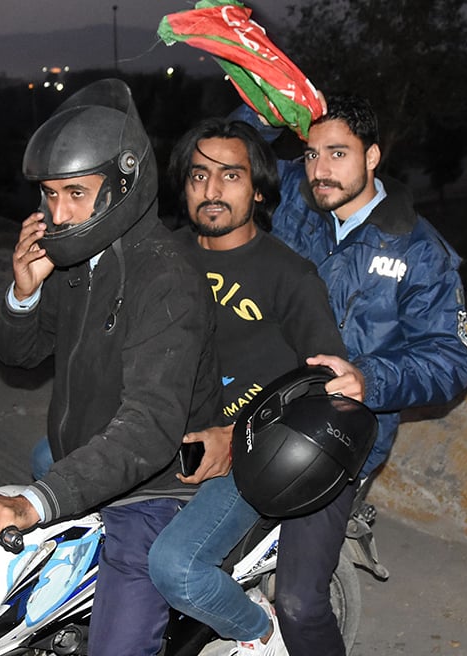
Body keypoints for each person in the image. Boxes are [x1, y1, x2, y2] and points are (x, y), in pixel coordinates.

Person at [0, 79, 224, 656]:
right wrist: (23, 292)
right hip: (87, 463)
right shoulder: (76, 262)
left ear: (124, 184)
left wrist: (33, 502)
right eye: (49, 195)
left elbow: (150, 429)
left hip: (152, 489)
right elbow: (20, 355)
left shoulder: (166, 279)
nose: (58, 212)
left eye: (76, 192)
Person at [234, 93, 467, 655]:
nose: (320, 170)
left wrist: (372, 378)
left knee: (298, 601)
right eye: (312, 152)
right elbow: (238, 158)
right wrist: (268, 97)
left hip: (340, 439)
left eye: (337, 154)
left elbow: (452, 359)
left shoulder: (420, 252)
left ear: (373, 156)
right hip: (256, 403)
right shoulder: (298, 200)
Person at [146, 117, 364, 654]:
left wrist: (235, 432)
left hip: (251, 452)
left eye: (230, 176)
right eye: (198, 176)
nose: (212, 191)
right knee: (46, 458)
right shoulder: (159, 258)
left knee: (177, 567)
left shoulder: (289, 276)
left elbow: (324, 382)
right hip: (167, 431)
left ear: (258, 189)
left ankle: (260, 633)